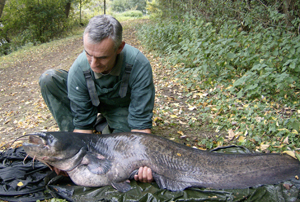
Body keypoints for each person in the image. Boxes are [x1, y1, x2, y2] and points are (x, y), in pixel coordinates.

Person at [39, 15, 155, 183]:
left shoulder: (139, 65)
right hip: (89, 102)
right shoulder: (78, 69)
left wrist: (143, 162)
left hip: (121, 108)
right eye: (88, 54)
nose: (93, 64)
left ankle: (106, 125)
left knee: (124, 152)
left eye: (102, 57)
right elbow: (82, 127)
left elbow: (140, 131)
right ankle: (89, 131)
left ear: (119, 48)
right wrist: (67, 155)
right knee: (48, 78)